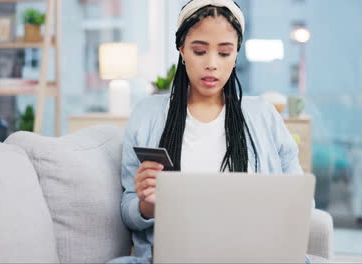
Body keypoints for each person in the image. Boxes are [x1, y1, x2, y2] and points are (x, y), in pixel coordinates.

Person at [107, 0, 313, 263]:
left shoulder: (264, 116)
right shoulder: (147, 115)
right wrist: (147, 205)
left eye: (224, 53)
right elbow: (129, 211)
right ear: (182, 50)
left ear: (236, 53)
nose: (212, 64)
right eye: (200, 51)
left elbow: (300, 203)